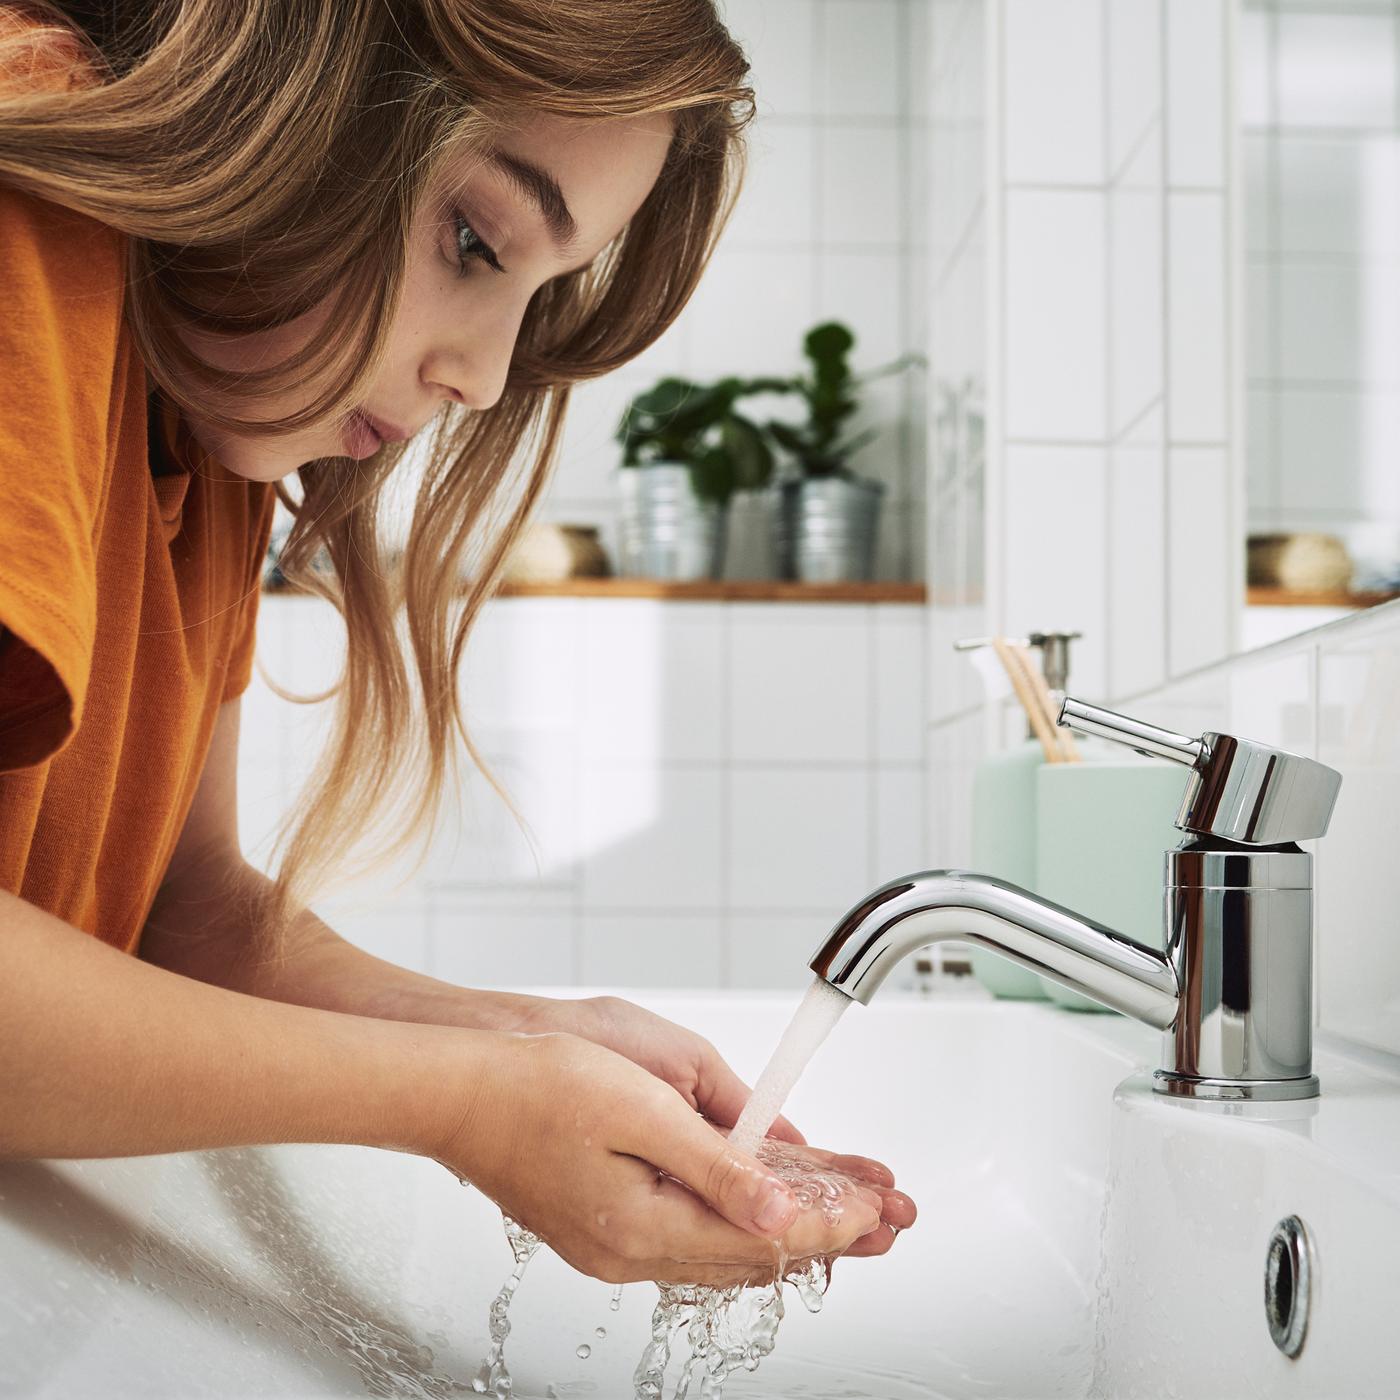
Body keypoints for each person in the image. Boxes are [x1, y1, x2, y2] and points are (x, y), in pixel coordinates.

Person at [0, 0, 916, 1292]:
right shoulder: (34, 154)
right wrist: (466, 1100)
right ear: (287, 91)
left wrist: (546, 1046)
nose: (486, 378)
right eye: (475, 239)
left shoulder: (210, 419)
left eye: (533, 293)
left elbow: (185, 917)